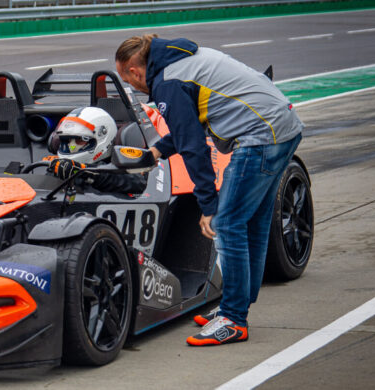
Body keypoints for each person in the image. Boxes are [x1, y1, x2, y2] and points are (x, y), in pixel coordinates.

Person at [114, 35, 303, 346]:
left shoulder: (166, 82)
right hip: (284, 128)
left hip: (260, 138)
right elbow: (187, 126)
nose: (133, 88)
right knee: (252, 222)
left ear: (136, 70)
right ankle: (237, 304)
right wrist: (155, 154)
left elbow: (193, 148)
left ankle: (233, 319)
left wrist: (209, 206)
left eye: (128, 80)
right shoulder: (181, 60)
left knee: (226, 223)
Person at [48, 107, 147, 195]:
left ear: (103, 138)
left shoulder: (119, 171)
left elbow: (139, 183)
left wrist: (85, 171)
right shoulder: (62, 168)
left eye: (79, 140)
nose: (71, 148)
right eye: (67, 141)